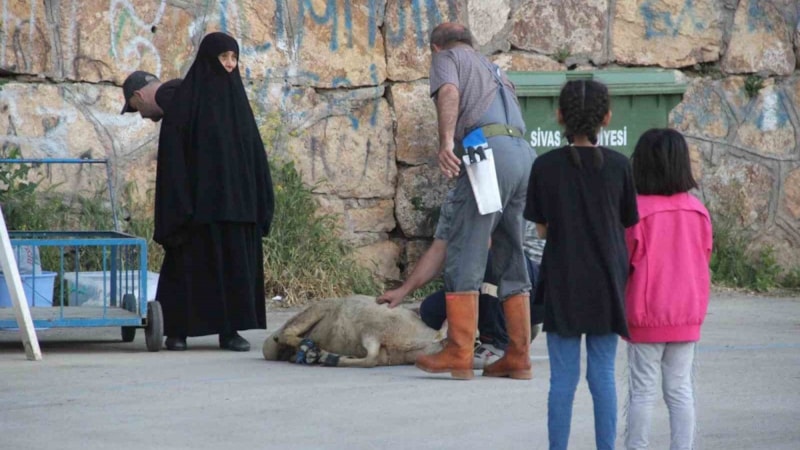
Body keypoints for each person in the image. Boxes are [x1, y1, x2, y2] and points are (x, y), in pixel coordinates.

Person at [524, 79, 639, 450]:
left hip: (562, 280)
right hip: (607, 282)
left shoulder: (544, 167)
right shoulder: (621, 167)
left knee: (563, 379)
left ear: (559, 116)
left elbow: (541, 230)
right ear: (607, 117)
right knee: (603, 376)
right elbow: (626, 223)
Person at [418, 22, 537, 380]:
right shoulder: (494, 69)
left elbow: (450, 91)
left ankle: (458, 351)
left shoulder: (448, 58)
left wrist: (446, 141)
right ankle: (518, 356)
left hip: (487, 153)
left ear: (436, 48)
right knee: (511, 252)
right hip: (523, 154)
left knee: (467, 247)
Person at [151, 31, 275, 351]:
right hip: (196, 209)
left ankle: (230, 330)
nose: (230, 65)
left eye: (234, 58)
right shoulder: (184, 107)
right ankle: (177, 331)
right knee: (189, 267)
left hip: (236, 208)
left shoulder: (239, 108)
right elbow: (174, 160)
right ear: (209, 59)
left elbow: (255, 157)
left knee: (233, 265)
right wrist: (179, 206)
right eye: (224, 58)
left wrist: (261, 204)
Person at [623, 129, 712, 450]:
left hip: (645, 316)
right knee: (680, 390)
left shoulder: (636, 212)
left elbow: (626, 261)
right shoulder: (698, 211)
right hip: (687, 315)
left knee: (643, 391)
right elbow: (703, 257)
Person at [376, 216, 543, 369]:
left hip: (536, 280)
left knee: (494, 256)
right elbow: (438, 251)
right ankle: (517, 324)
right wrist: (403, 291)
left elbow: (488, 245)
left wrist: (463, 294)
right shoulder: (455, 199)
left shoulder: (499, 188)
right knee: (431, 310)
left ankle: (498, 344)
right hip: (489, 274)